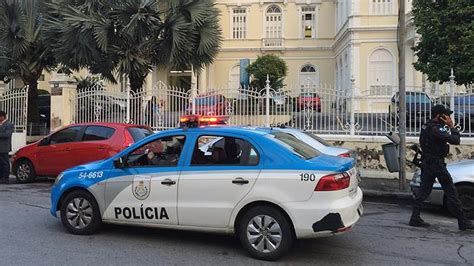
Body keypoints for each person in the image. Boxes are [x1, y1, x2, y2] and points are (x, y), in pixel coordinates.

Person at [409, 105, 474, 230]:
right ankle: (462, 221)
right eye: (446, 115)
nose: (448, 117)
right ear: (439, 116)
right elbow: (455, 140)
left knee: (424, 191)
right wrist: (452, 127)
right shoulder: (436, 129)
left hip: (428, 162)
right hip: (436, 164)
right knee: (451, 191)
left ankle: (415, 217)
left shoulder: (427, 126)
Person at [0, 111, 13, 184]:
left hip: (4, 147)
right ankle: (1, 176)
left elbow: (7, 134)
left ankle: (5, 177)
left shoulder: (9, 124)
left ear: (2, 117)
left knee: (5, 163)